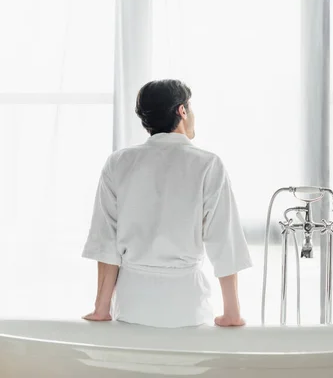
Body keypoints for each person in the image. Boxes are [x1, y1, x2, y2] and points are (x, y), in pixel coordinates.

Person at [81, 79, 251, 328]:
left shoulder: (118, 163)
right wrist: (232, 313)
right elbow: (224, 240)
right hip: (187, 305)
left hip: (132, 304)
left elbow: (106, 238)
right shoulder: (207, 164)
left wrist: (101, 309)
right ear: (181, 110)